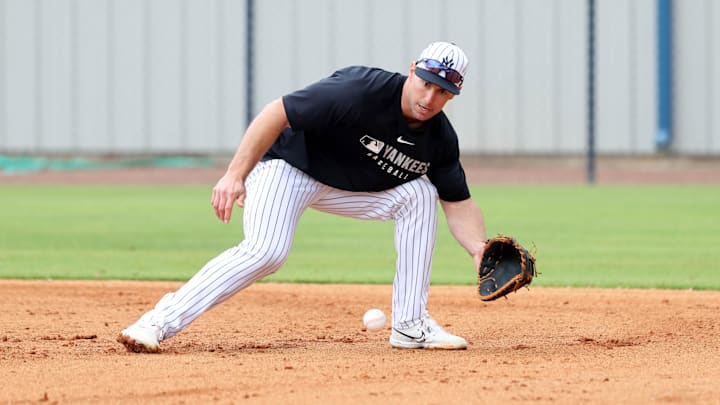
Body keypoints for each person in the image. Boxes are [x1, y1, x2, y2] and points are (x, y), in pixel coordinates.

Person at [117, 41, 487, 352]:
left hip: (343, 188)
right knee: (267, 251)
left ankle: (410, 325)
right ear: (412, 70)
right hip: (288, 168)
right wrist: (235, 175)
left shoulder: (440, 138)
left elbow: (457, 200)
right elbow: (275, 112)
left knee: (420, 195)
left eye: (443, 91)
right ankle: (156, 322)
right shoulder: (360, 89)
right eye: (426, 83)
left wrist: (479, 250)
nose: (430, 97)